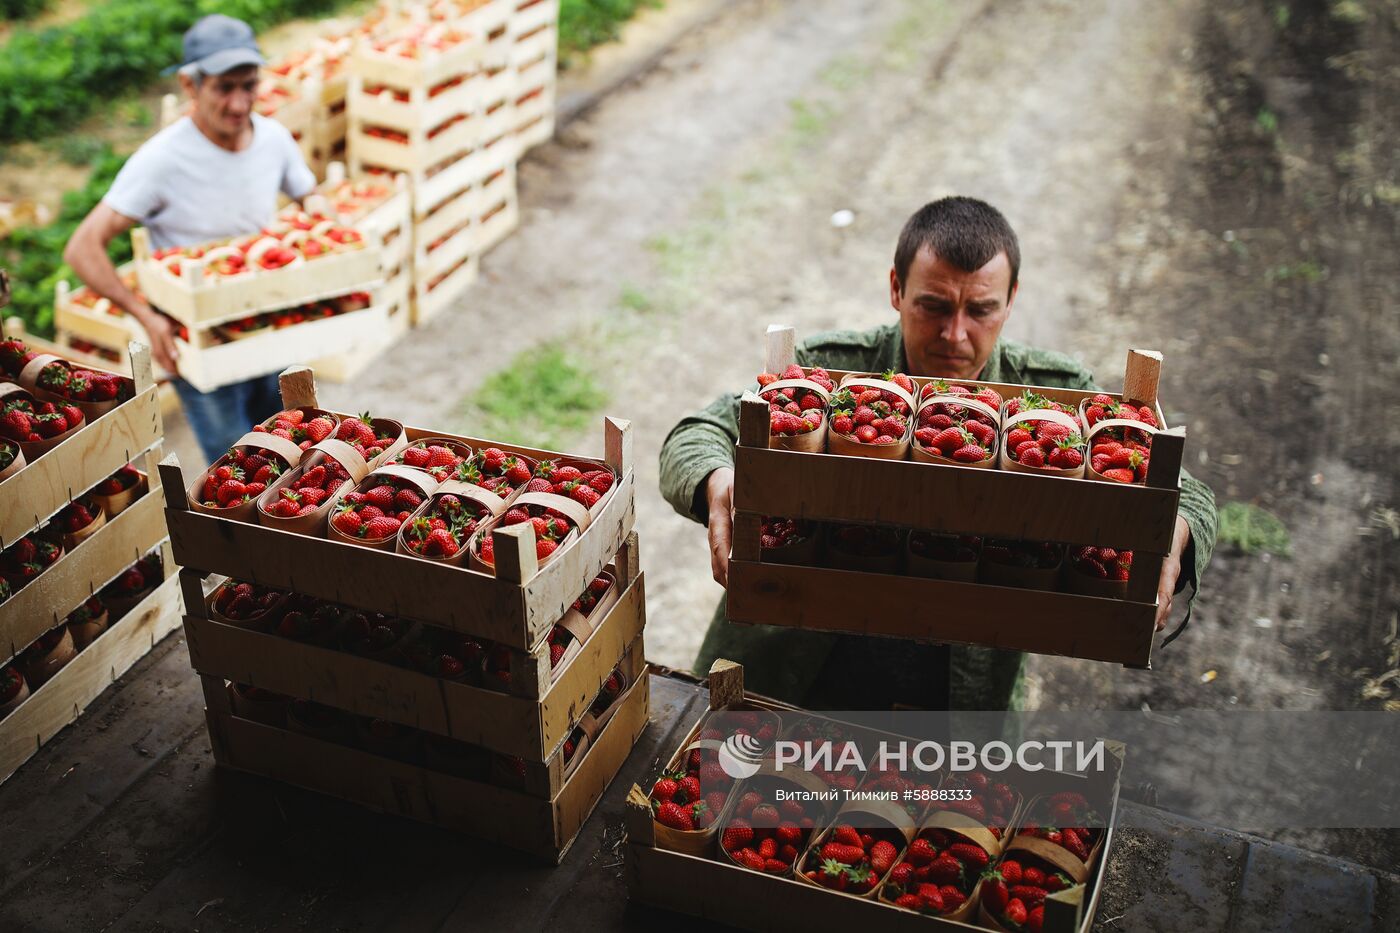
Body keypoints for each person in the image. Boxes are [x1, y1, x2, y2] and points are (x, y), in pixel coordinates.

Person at [659, 196, 1218, 711]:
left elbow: (1189, 493)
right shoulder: (825, 370)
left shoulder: (1053, 393)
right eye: (933, 306)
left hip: (959, 687)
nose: (954, 334)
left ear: (1011, 300)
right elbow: (696, 431)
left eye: (980, 310)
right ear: (896, 288)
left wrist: (1171, 540)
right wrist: (719, 480)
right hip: (797, 666)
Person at [64, 14, 318, 462]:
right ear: (190, 85)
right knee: (236, 466)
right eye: (224, 87)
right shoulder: (162, 160)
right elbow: (83, 247)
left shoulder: (274, 138)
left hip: (270, 324)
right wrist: (146, 316)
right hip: (199, 344)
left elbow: (311, 201)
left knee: (297, 451)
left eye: (249, 85)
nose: (240, 104)